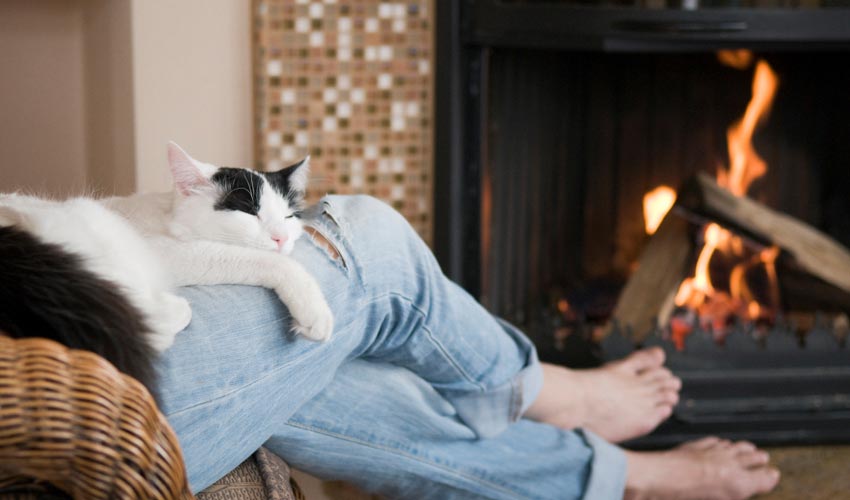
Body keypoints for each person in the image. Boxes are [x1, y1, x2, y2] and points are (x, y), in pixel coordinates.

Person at [156, 195, 780, 499]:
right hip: (105, 383)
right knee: (366, 239)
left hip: (115, 375)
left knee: (316, 371)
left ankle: (618, 476)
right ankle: (546, 391)